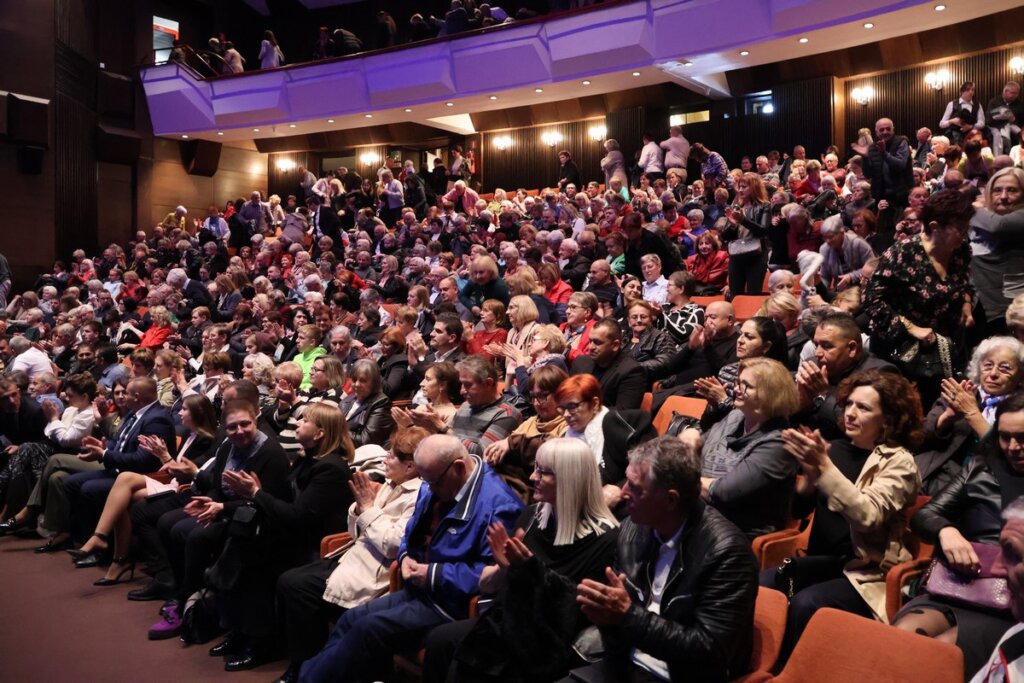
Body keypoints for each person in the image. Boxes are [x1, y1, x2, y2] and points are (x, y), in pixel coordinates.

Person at [298, 434, 523, 683]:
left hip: (450, 604)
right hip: (418, 590)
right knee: (351, 618)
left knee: (367, 629)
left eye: (433, 481)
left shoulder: (500, 505)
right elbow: (411, 531)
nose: (427, 487)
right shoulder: (433, 482)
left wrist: (433, 573)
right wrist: (405, 555)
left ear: (458, 468)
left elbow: (490, 575)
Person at [562, 435, 758, 683]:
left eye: (634, 487)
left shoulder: (727, 554)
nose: (623, 493)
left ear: (670, 499)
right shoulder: (633, 528)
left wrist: (627, 616)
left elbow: (709, 653)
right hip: (625, 663)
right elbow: (614, 614)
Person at [424, 438, 619, 682]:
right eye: (535, 468)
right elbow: (494, 586)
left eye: (543, 472)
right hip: (511, 618)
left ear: (571, 478)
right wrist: (504, 569)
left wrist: (529, 571)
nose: (532, 477)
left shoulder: (607, 540)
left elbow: (574, 610)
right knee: (440, 641)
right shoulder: (532, 517)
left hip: (548, 638)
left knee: (472, 661)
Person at [778, 370, 923, 651]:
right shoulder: (834, 450)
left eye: (864, 408)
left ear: (889, 420)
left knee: (806, 603)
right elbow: (799, 511)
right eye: (849, 405)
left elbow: (867, 516)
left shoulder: (900, 463)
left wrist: (824, 467)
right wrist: (809, 477)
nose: (851, 414)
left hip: (864, 571)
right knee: (767, 581)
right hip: (823, 560)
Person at [273, 426, 428, 683]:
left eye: (392, 455)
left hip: (379, 571)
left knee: (296, 586)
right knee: (289, 580)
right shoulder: (391, 484)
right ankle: (309, 663)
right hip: (354, 556)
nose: (385, 457)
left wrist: (367, 508)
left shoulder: (419, 495)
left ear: (410, 466)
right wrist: (359, 507)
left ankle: (311, 669)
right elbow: (356, 533)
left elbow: (393, 545)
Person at [211, 403, 354, 671]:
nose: (297, 424)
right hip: (292, 531)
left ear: (320, 433)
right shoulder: (307, 458)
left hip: (317, 544)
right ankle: (241, 630)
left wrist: (256, 493)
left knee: (255, 556)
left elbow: (300, 517)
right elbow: (284, 503)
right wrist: (257, 495)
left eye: (304, 421)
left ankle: (264, 643)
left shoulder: (331, 468)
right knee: (237, 538)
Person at [893, 391, 1024, 676]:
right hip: (957, 586)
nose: (1013, 447)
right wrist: (947, 530)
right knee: (902, 640)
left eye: (1023, 438)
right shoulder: (980, 468)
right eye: (1004, 437)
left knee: (937, 658)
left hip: (1011, 603)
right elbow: (924, 515)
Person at [66, 395, 217, 584]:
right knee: (124, 482)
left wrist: (163, 456)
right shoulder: (189, 434)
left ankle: (115, 554)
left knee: (126, 493)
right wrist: (164, 456)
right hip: (169, 480)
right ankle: (107, 547)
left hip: (181, 487)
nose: (179, 412)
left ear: (198, 413)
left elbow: (185, 473)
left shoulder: (206, 440)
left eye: (184, 409)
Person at [864, 189, 976, 407]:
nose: (965, 235)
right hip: (901, 353)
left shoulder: (961, 249)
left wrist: (966, 303)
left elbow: (965, 283)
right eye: (960, 229)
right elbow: (871, 298)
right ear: (934, 227)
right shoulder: (903, 252)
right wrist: (910, 327)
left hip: (942, 352)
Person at [681, 357, 799, 538]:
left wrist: (674, 475)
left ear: (771, 394)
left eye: (746, 386)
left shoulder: (779, 444)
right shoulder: (735, 417)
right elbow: (697, 446)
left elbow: (721, 492)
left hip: (735, 534)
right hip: (699, 515)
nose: (736, 389)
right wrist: (691, 440)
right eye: (737, 382)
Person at [916, 336, 1024, 495]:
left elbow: (1006, 453)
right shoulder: (961, 392)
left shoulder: (1019, 407)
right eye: (988, 365)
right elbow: (919, 438)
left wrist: (972, 414)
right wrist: (946, 418)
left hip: (990, 482)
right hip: (937, 471)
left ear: (1021, 376)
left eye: (1005, 368)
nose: (993, 374)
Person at [969, 167, 1024, 335]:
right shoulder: (980, 219)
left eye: (1012, 190)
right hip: (976, 308)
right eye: (997, 190)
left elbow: (998, 227)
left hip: (1010, 310)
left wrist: (973, 208)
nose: (1004, 196)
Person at [570, 319, 647, 410]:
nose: (591, 347)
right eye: (590, 341)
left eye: (597, 342)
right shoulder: (580, 362)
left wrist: (585, 411)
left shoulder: (632, 371)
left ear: (615, 345)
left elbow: (623, 413)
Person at [722, 172, 771, 296]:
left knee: (753, 294)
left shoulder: (764, 206)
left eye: (744, 187)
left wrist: (743, 220)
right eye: (739, 187)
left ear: (754, 187)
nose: (740, 190)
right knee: (734, 295)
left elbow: (763, 230)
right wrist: (733, 225)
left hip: (756, 257)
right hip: (736, 256)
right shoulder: (736, 207)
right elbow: (725, 236)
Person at [340, 359, 395, 448]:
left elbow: (366, 441)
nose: (357, 384)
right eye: (354, 380)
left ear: (374, 383)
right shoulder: (347, 399)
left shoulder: (381, 402)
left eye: (363, 381)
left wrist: (335, 431)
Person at [625, 299, 677, 381]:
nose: (638, 320)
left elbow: (665, 362)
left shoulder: (661, 337)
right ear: (628, 321)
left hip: (644, 381)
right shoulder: (624, 338)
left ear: (651, 319)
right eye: (634, 317)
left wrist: (632, 368)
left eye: (643, 317)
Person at [659, 270, 704, 346]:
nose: (666, 289)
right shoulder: (664, 307)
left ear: (681, 289)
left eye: (669, 285)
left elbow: (683, 336)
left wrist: (661, 316)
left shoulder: (696, 311)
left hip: (674, 353)